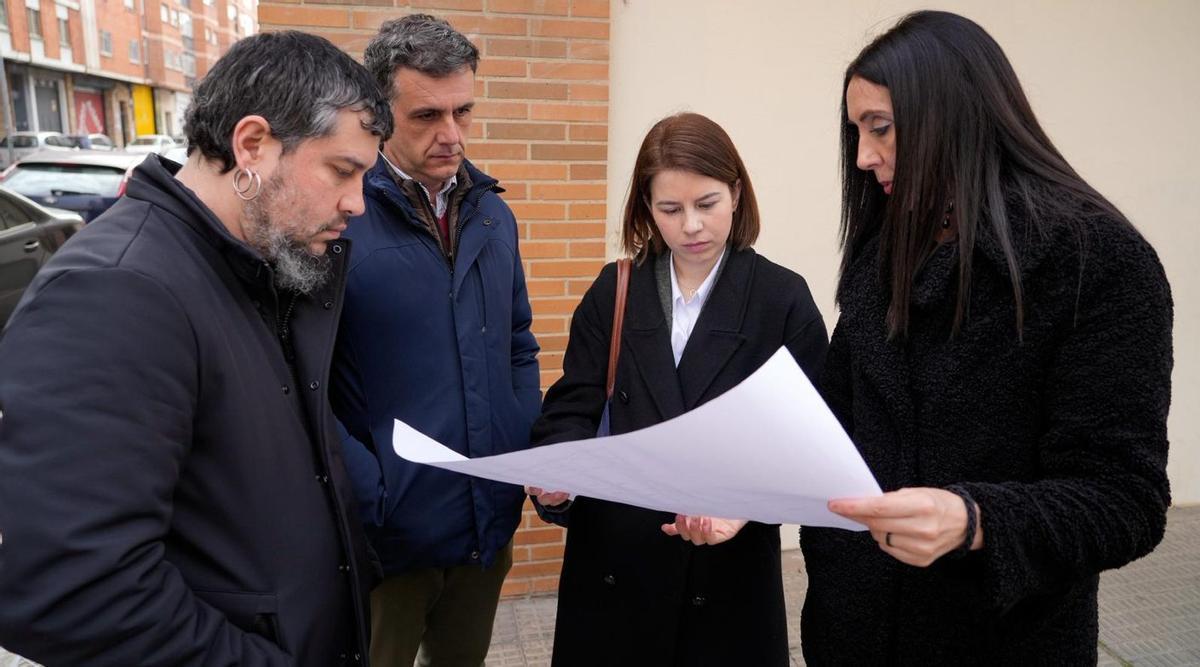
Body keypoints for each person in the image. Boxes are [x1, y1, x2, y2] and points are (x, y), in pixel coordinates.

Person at [0, 32, 391, 665]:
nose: (356, 203)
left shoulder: (268, 265)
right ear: (253, 145)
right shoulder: (118, 291)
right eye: (342, 171)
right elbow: (74, 590)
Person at [807, 11, 1174, 664]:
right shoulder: (883, 248)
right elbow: (833, 424)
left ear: (954, 113)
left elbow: (1126, 502)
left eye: (881, 128)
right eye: (856, 131)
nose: (863, 157)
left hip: (1000, 642)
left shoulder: (1095, 260)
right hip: (851, 632)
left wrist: (974, 520)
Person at [529, 112, 828, 666]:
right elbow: (573, 405)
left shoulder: (781, 300)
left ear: (736, 194)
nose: (690, 225)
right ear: (647, 210)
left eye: (706, 203)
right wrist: (557, 470)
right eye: (670, 209)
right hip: (616, 570)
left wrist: (741, 505)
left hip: (727, 577)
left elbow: (812, 441)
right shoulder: (614, 290)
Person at [329, 14, 541, 667]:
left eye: (463, 112)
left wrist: (518, 453)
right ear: (378, 113)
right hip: (386, 543)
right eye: (426, 116)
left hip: (483, 528)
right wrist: (373, 494)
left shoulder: (493, 214)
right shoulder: (338, 221)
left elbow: (518, 344)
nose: (451, 134)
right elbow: (302, 377)